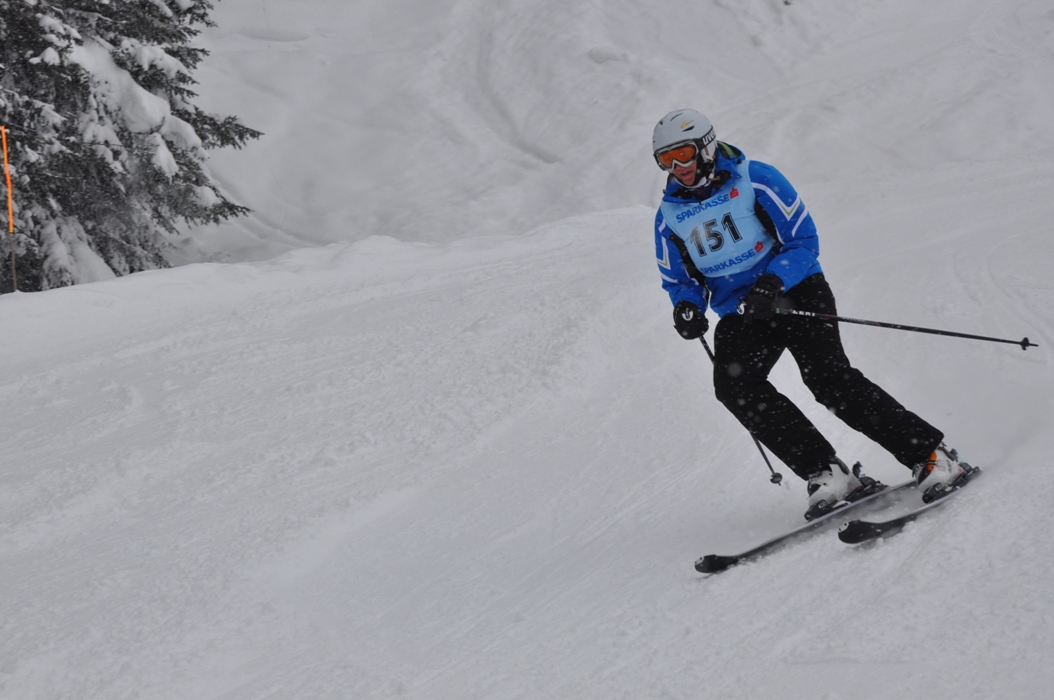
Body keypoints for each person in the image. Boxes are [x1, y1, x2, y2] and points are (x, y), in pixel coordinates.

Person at [651, 108, 967, 519]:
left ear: (707, 147)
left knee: (828, 379)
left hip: (794, 290)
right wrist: (687, 307)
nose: (678, 167)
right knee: (735, 387)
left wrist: (773, 281)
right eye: (666, 159)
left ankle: (931, 456)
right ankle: (827, 472)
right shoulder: (668, 217)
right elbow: (679, 280)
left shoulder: (755, 178)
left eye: (684, 154)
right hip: (742, 311)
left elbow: (803, 240)